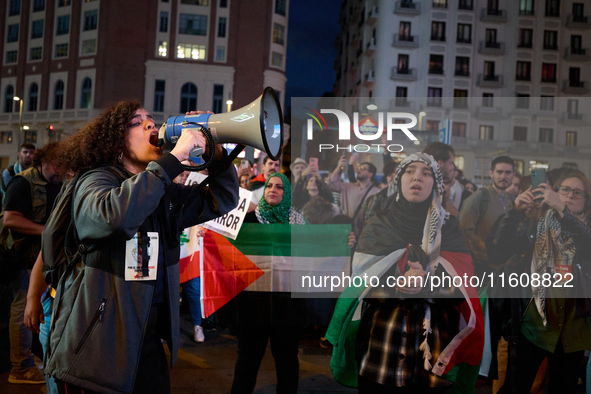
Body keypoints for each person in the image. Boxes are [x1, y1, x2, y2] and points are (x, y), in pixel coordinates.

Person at [42, 101, 239, 394]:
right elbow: (115, 217)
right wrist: (172, 161)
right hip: (95, 352)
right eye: (136, 122)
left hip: (146, 345)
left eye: (150, 119)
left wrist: (217, 151)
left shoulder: (164, 193)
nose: (150, 124)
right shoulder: (96, 180)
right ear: (116, 143)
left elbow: (222, 198)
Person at [326, 153, 484, 393]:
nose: (417, 177)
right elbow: (360, 284)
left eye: (426, 173)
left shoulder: (449, 228)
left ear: (436, 184)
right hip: (380, 348)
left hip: (430, 350)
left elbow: (463, 289)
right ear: (398, 180)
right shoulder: (378, 224)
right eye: (409, 171)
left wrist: (427, 283)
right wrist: (397, 286)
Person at [490, 169, 591, 393]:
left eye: (578, 193)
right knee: (515, 387)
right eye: (565, 190)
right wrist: (515, 212)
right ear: (555, 192)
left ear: (587, 202)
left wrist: (562, 209)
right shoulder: (536, 224)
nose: (571, 195)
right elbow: (501, 250)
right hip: (533, 324)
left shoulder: (586, 231)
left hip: (573, 330)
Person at [232, 172, 305, 394]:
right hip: (253, 303)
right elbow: (230, 254)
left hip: (287, 304)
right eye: (269, 186)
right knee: (248, 358)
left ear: (288, 193)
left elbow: (314, 255)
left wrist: (342, 241)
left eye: (280, 187)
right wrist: (210, 240)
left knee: (287, 359)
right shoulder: (249, 221)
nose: (273, 189)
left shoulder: (299, 223)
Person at [2, 142, 62, 385]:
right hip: (19, 259)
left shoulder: (56, 183)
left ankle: (27, 361)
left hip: (41, 259)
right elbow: (10, 219)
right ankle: (20, 367)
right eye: (57, 164)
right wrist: (48, 232)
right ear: (43, 161)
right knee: (23, 311)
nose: (61, 170)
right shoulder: (22, 182)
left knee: (37, 311)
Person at [459, 156, 515, 275]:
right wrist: (485, 247)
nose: (503, 176)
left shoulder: (512, 200)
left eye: (508, 172)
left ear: (513, 175)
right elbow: (465, 228)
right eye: (499, 172)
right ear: (491, 173)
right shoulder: (479, 197)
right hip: (482, 264)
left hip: (504, 264)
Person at [328, 157, 379, 235]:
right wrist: (339, 167)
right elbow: (331, 183)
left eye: (363, 168)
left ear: (370, 174)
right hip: (345, 230)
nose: (359, 170)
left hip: (366, 233)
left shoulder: (376, 191)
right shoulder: (347, 186)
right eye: (359, 168)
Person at [423, 142, 462, 216]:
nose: (453, 167)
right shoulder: (427, 188)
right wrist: (445, 201)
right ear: (440, 163)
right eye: (451, 163)